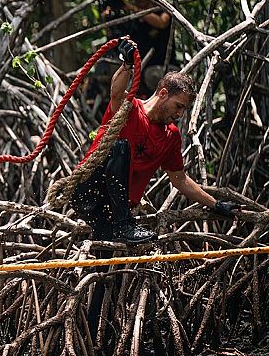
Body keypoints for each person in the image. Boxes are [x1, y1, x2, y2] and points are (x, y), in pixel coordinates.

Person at [71, 38, 240, 247]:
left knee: (104, 256)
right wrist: (127, 64)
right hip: (89, 192)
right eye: (178, 106)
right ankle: (124, 225)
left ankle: (117, 235)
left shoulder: (171, 136)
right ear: (163, 93)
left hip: (113, 209)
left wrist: (216, 205)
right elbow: (116, 92)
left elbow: (180, 180)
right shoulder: (130, 108)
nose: (180, 114)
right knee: (120, 147)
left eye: (184, 110)